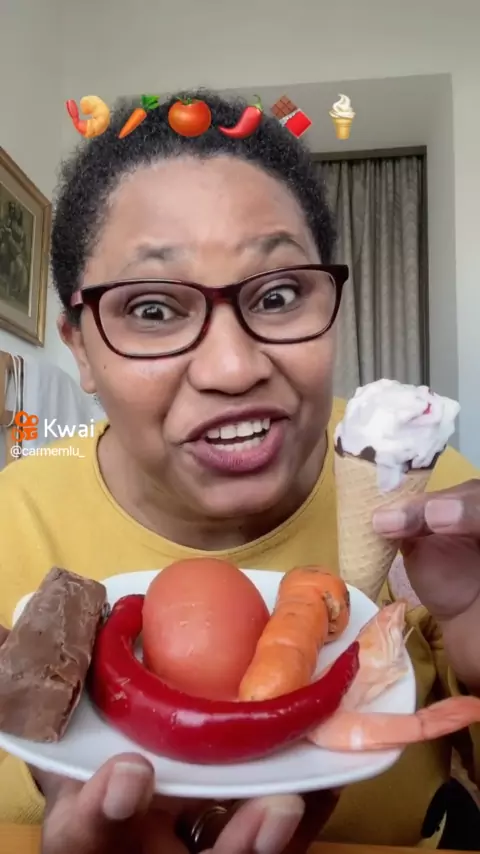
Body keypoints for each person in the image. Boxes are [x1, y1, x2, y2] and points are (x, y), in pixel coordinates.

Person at [0, 88, 480, 853]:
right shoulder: (10, 524)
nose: (232, 367)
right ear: (81, 348)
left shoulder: (429, 499)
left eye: (280, 294)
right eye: (152, 310)